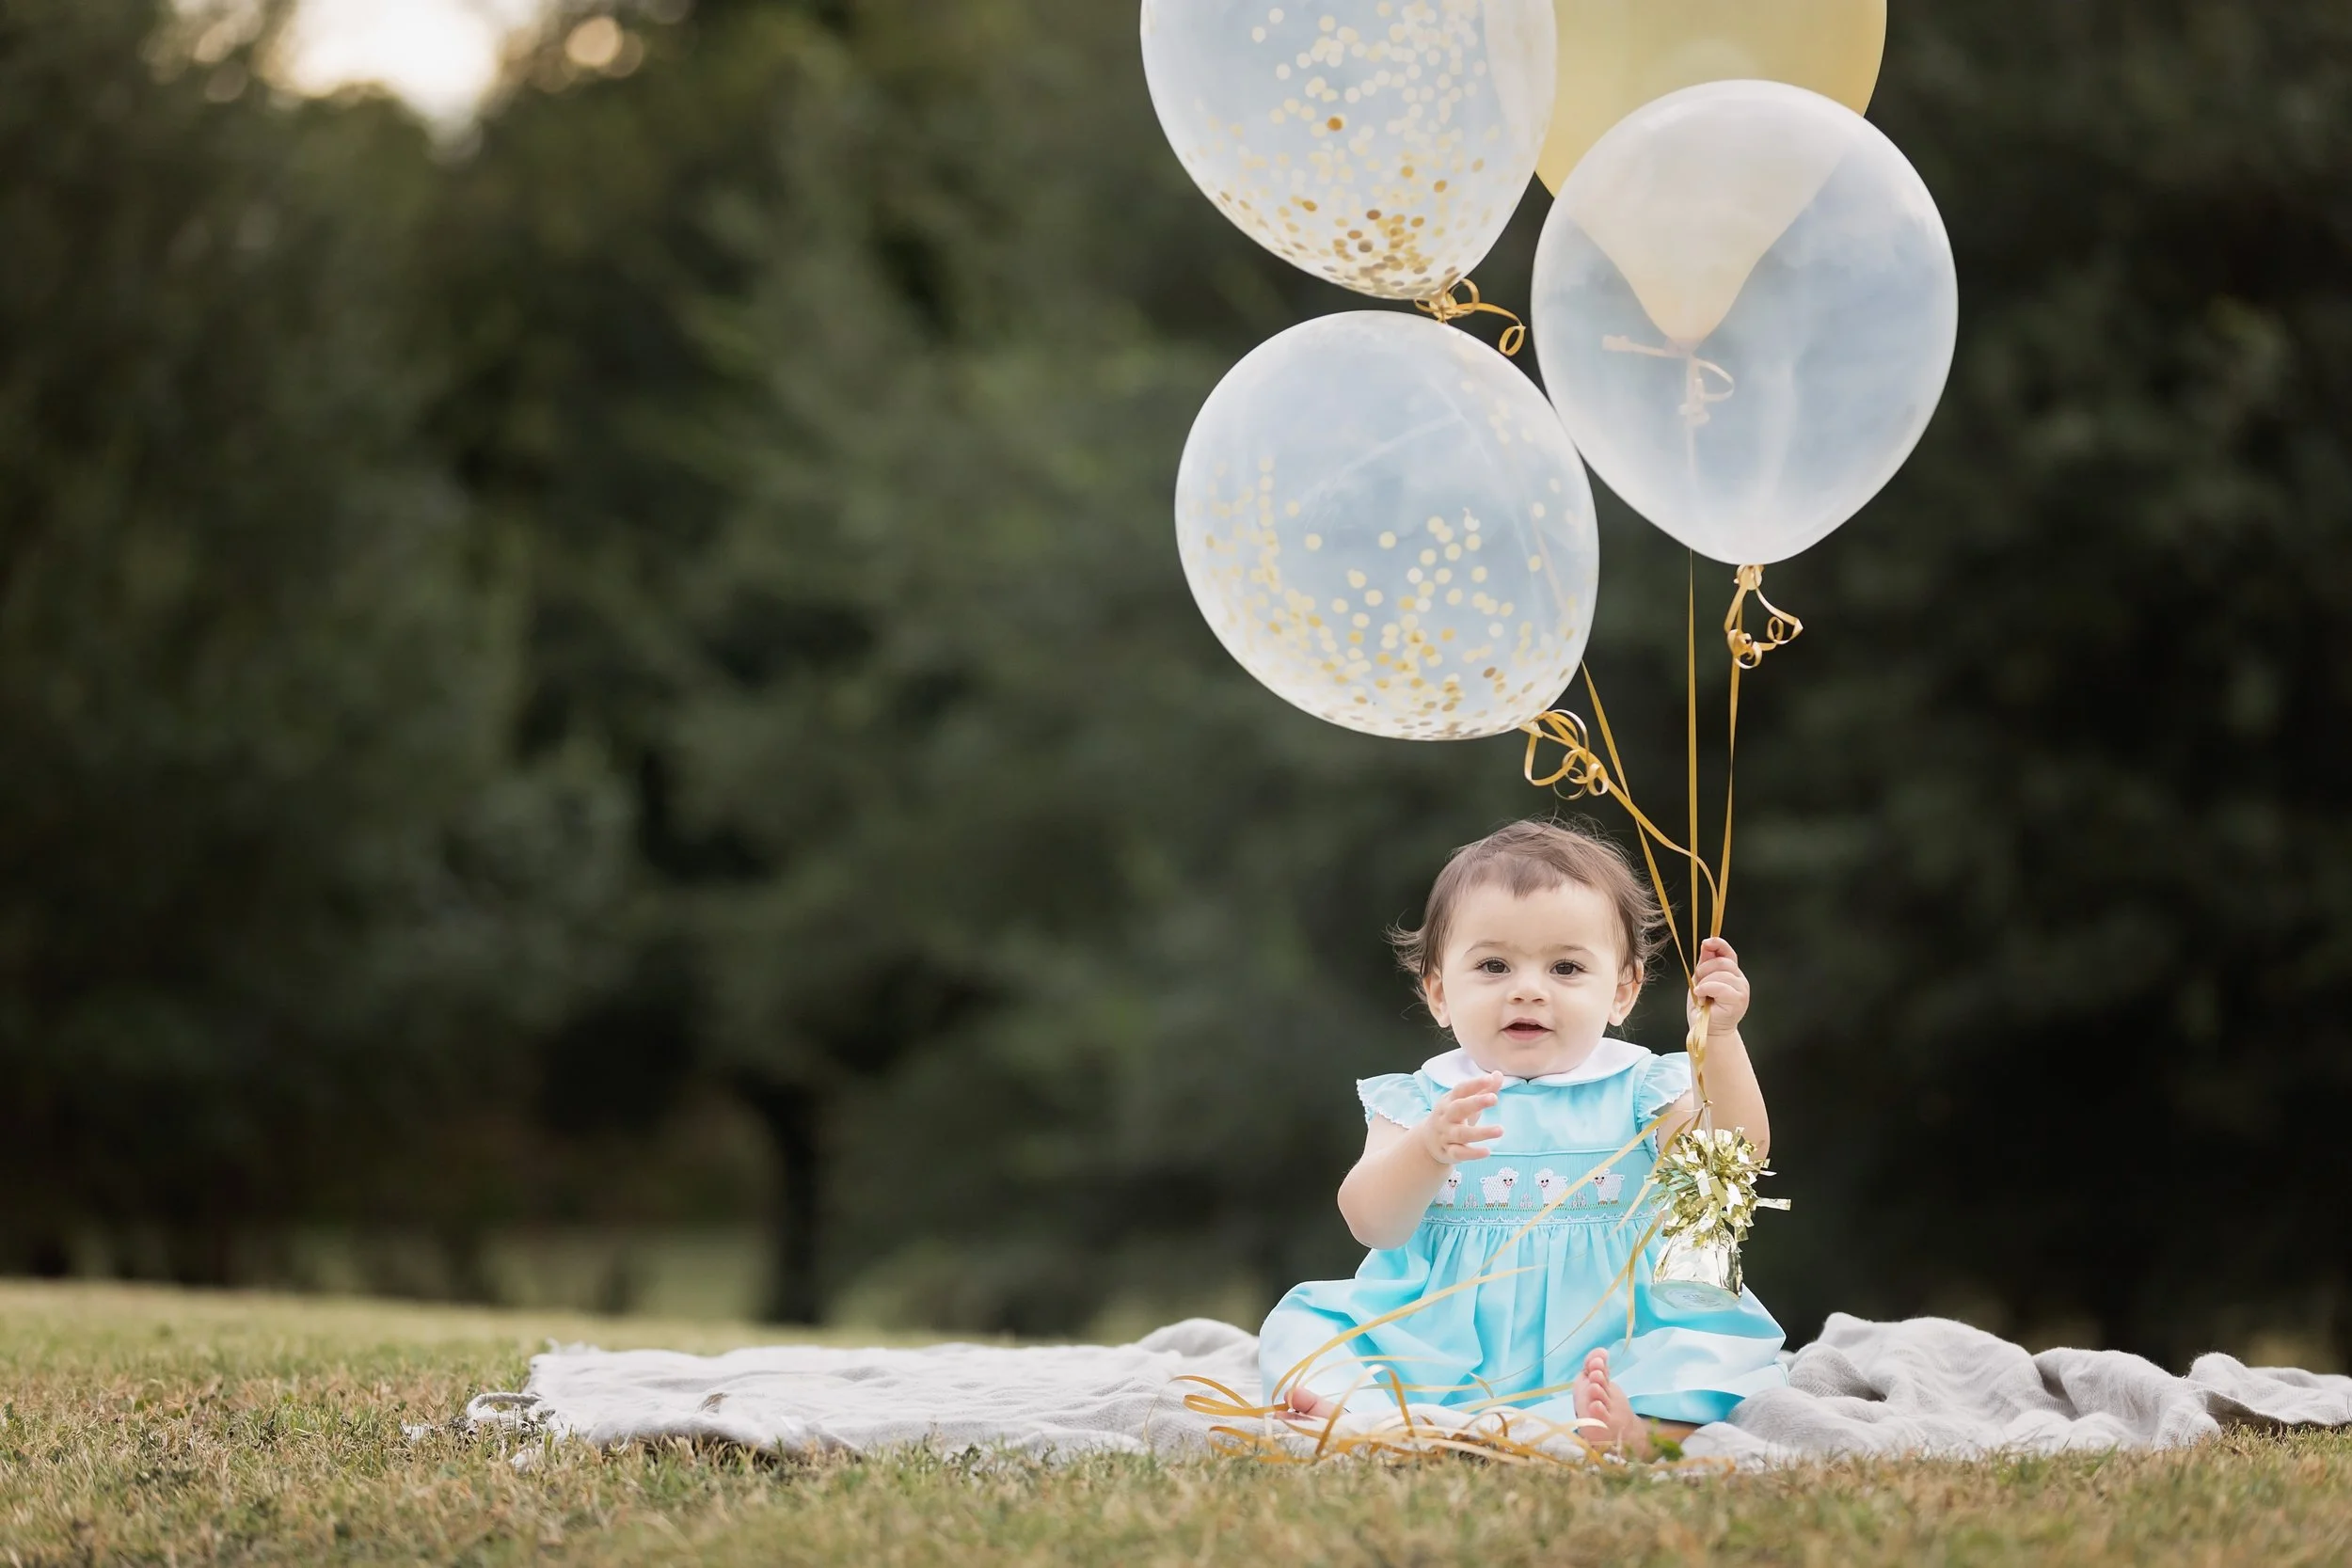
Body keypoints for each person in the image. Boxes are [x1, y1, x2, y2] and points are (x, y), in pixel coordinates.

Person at [1256, 819, 1787, 1452]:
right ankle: (1379, 1418)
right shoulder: (1423, 1100)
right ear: (1438, 993)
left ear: (1621, 991)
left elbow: (1733, 1156)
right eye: (1494, 964)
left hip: (1615, 1330)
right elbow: (1372, 1223)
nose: (1529, 988)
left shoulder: (1643, 1087)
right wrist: (1427, 1150)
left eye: (1565, 966)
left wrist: (1720, 1040)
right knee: (1308, 1327)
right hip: (1438, 1337)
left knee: (1710, 1350)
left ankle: (1638, 1428)